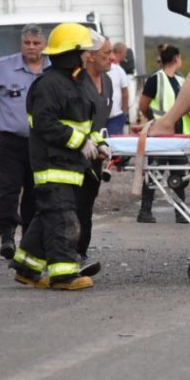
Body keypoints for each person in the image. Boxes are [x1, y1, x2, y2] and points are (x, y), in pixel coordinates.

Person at [8, 23, 107, 291]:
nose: (89, 55)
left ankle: (27, 268)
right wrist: (80, 142)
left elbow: (85, 123)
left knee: (50, 216)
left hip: (71, 166)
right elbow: (44, 124)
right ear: (71, 53)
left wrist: (98, 143)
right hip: (52, 167)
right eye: (84, 51)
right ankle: (63, 275)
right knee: (64, 219)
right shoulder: (49, 84)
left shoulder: (76, 82)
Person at [0, 25, 49, 259]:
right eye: (27, 43)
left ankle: (29, 241)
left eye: (36, 43)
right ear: (21, 43)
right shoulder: (3, 67)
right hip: (10, 142)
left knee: (36, 193)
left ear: (44, 44)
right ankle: (7, 236)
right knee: (7, 189)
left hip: (41, 143)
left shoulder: (53, 68)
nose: (31, 48)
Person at [136, 44, 190, 223]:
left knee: (180, 174)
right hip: (160, 136)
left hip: (177, 136)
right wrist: (153, 121)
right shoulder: (156, 79)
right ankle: (144, 211)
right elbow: (143, 105)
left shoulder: (181, 81)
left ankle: (180, 212)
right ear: (176, 58)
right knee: (154, 172)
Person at [75, 34, 114, 278]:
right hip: (73, 154)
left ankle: (82, 251)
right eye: (105, 54)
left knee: (87, 206)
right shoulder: (76, 83)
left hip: (95, 157)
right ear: (89, 56)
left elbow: (101, 121)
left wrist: (102, 146)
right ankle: (67, 254)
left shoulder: (107, 81)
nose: (111, 58)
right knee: (72, 206)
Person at [106, 42, 130, 136]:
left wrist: (123, 112)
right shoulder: (99, 71)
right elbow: (125, 93)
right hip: (101, 117)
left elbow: (124, 92)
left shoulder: (118, 70)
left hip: (115, 115)